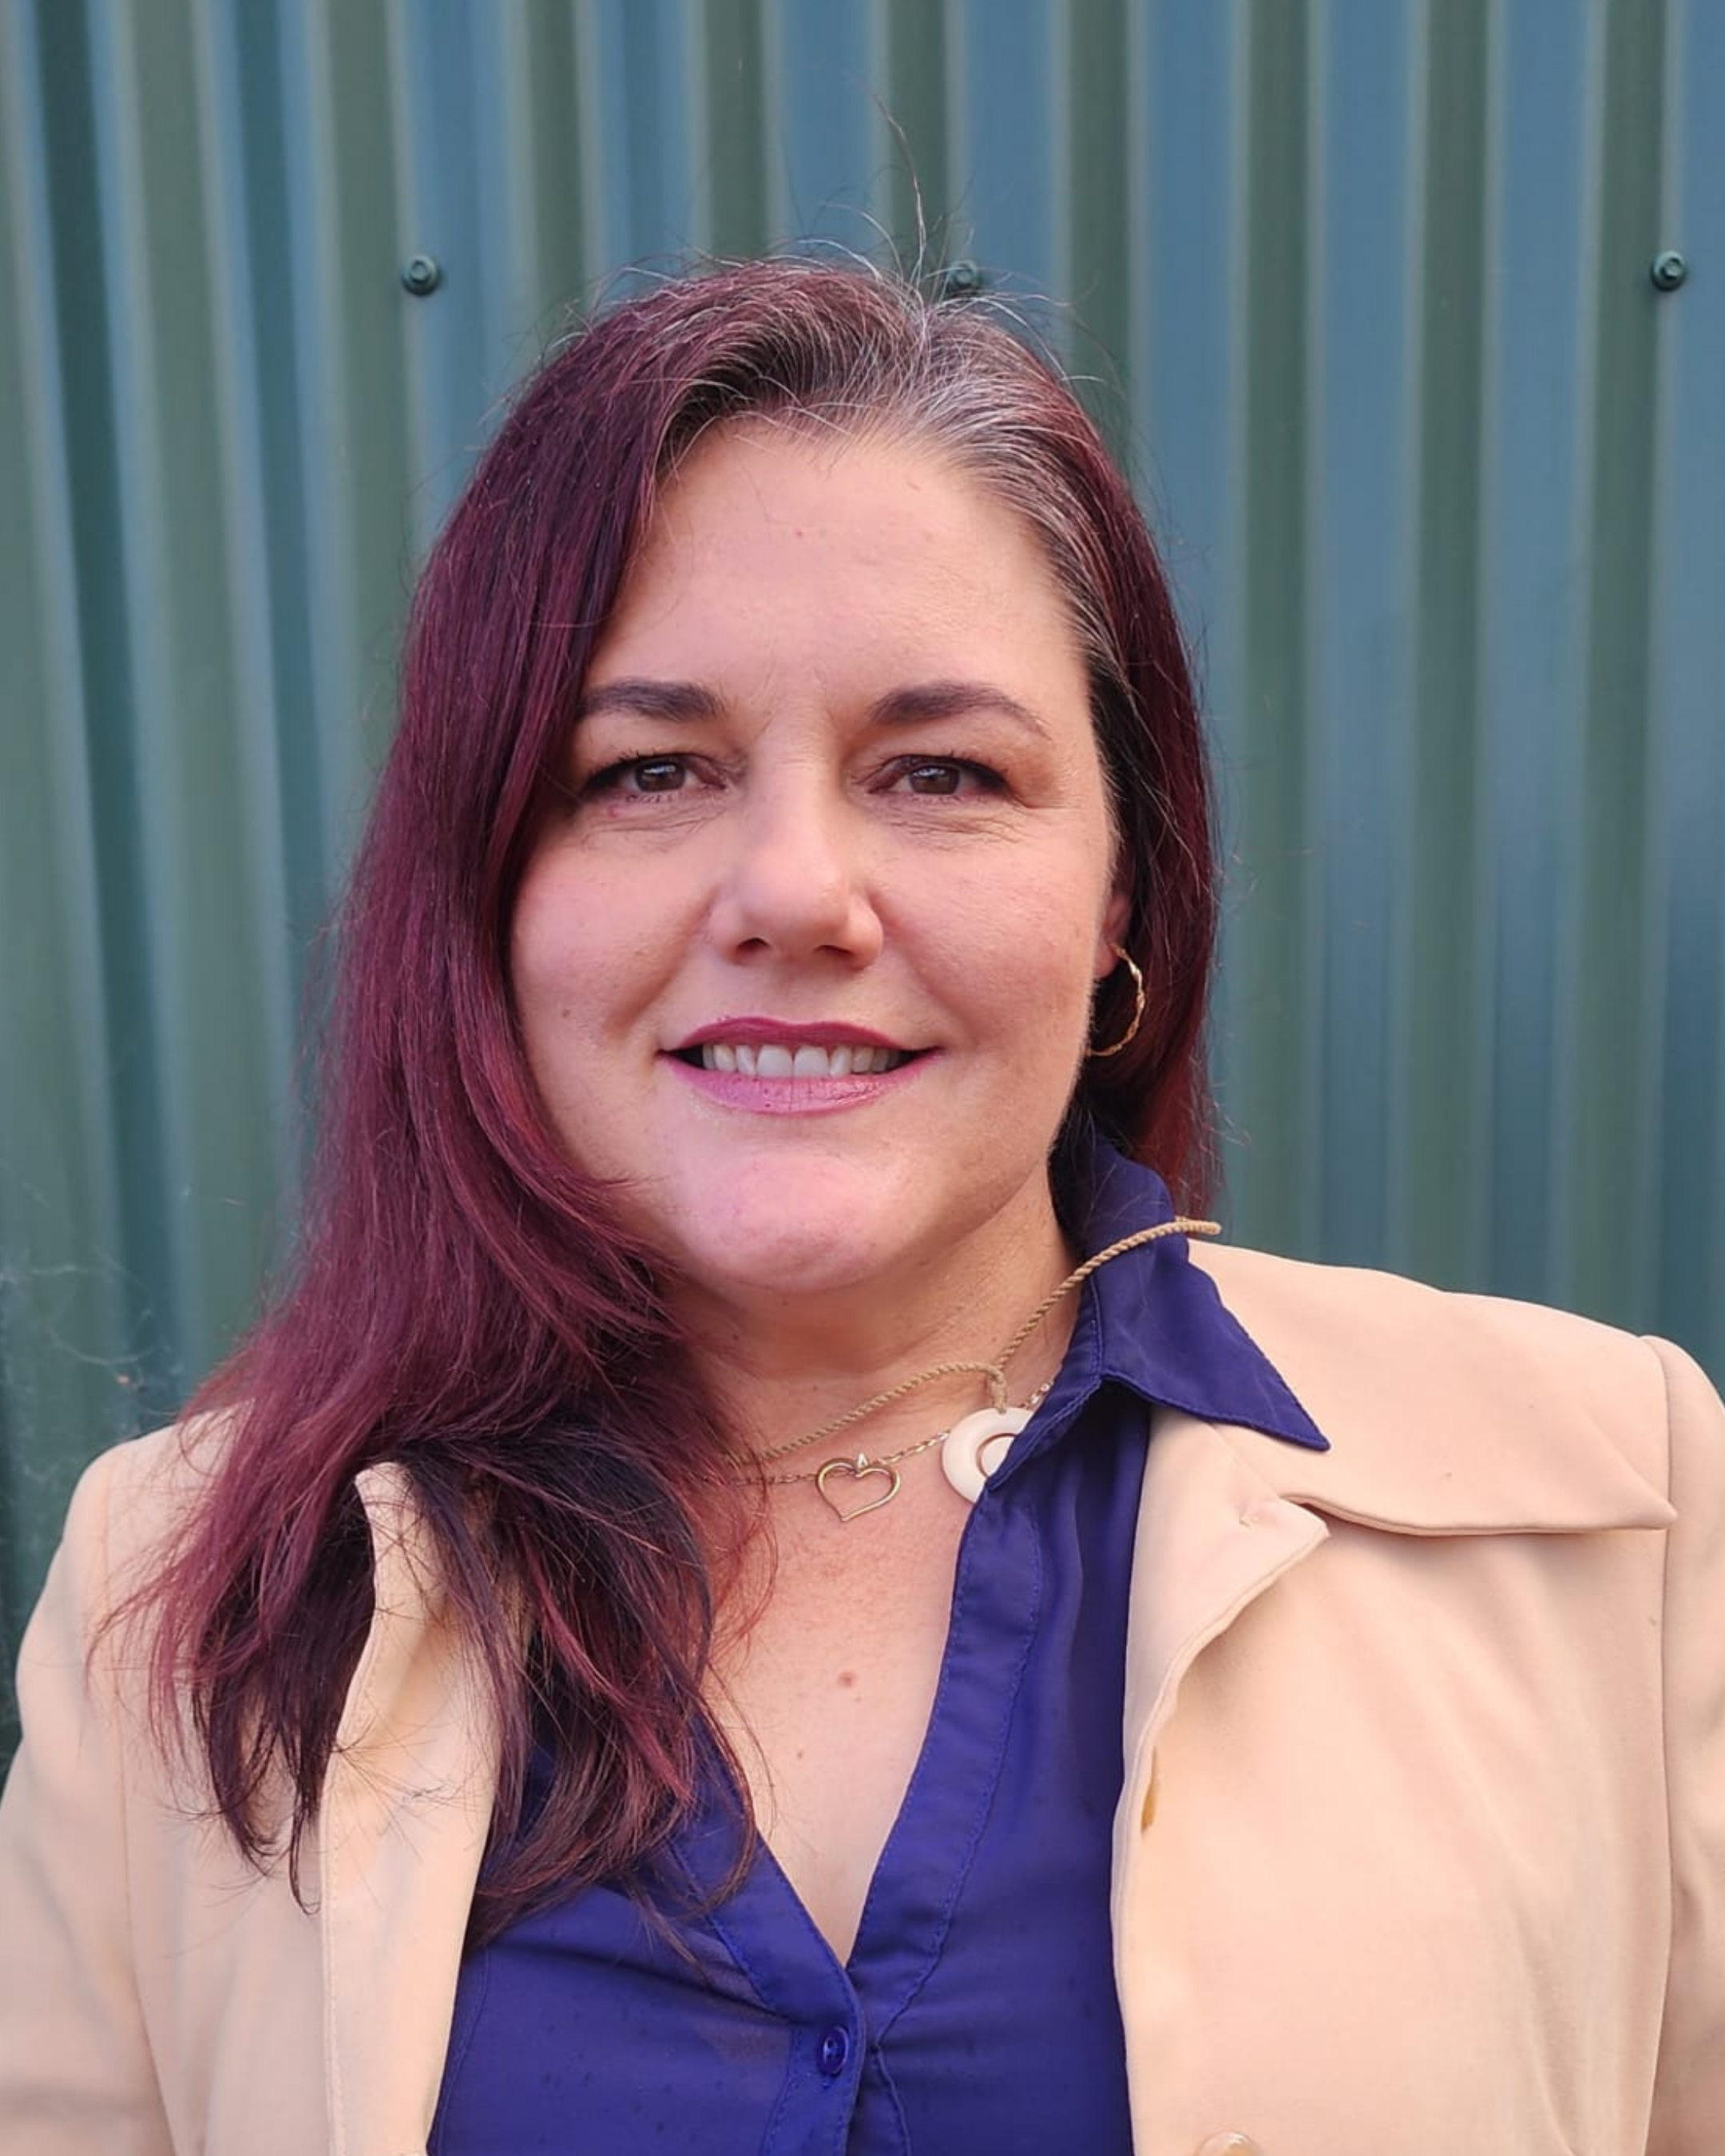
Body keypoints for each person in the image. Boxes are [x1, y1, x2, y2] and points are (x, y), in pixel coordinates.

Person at [0, 256, 1720, 2156]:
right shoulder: (175, 1599)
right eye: (649, 768)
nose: (797, 892)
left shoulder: (1613, 1501)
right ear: (490, 898)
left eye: (940, 771)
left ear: (1120, 901)